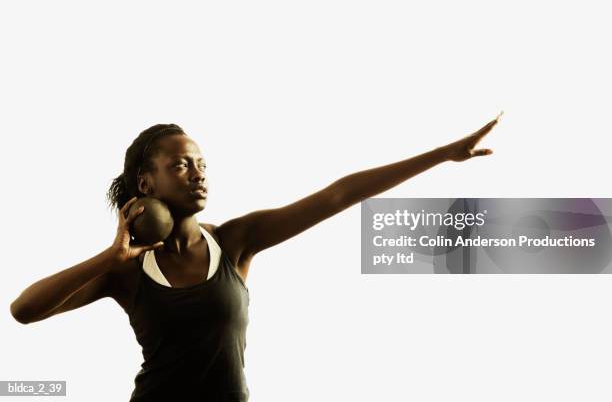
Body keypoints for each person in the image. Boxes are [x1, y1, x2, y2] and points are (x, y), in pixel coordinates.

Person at [9, 113, 502, 401]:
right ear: (146, 184)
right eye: (181, 165)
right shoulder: (126, 272)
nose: (197, 174)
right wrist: (109, 257)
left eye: (202, 164)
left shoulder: (237, 240)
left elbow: (337, 195)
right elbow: (24, 310)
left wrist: (441, 155)